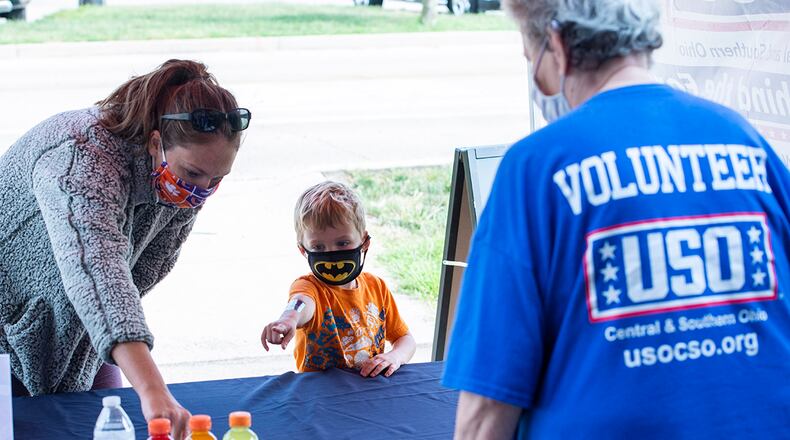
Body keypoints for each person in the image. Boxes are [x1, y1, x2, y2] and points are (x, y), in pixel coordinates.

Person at [441, 0, 790, 438]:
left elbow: (488, 403)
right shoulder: (743, 139)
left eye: (532, 59)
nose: (537, 76)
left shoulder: (537, 167)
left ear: (557, 44)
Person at [0, 59, 251, 439]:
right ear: (156, 143)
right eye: (195, 174)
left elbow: (142, 271)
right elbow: (99, 271)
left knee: (107, 423)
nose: (202, 190)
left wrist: (107, 337)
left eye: (218, 178)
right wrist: (151, 388)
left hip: (78, 327)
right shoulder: (80, 156)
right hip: (9, 320)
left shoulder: (178, 177)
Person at [261, 181, 417, 377]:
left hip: (368, 390)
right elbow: (299, 304)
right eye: (318, 247)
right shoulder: (309, 287)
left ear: (364, 242)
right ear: (303, 250)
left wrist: (395, 356)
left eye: (342, 243)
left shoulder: (377, 288)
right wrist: (287, 320)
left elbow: (404, 338)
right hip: (319, 394)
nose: (331, 254)